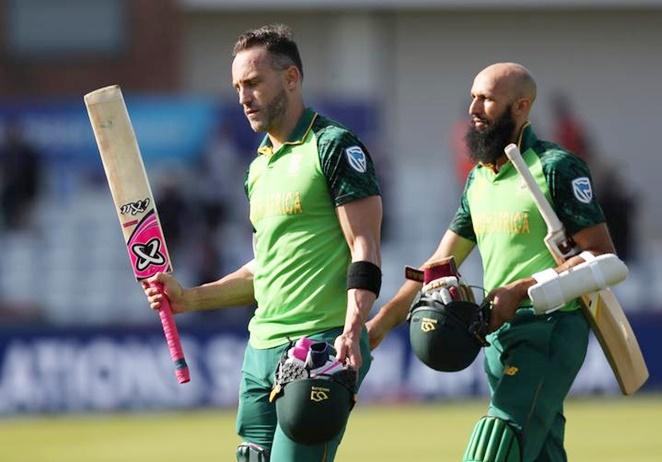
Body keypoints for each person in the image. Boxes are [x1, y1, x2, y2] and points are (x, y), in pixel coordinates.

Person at [143, 24, 382, 462]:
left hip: (320, 348)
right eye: (237, 87)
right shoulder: (258, 168)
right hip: (261, 349)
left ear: (291, 78)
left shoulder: (333, 146)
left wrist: (351, 331)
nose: (243, 97)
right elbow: (262, 269)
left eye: (253, 83)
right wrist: (188, 299)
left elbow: (364, 247)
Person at [366, 63, 615, 461]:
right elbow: (440, 263)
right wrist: (380, 324)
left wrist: (520, 289)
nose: (474, 108)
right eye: (473, 97)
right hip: (496, 337)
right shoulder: (479, 178)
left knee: (498, 439)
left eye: (487, 99)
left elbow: (601, 255)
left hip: (549, 330)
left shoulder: (556, 167)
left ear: (520, 106)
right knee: (541, 451)